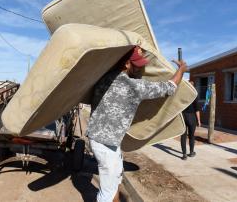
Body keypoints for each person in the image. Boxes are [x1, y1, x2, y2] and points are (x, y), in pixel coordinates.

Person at [86, 46, 187, 202]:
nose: (141, 68)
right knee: (106, 192)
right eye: (138, 65)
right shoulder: (133, 86)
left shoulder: (106, 77)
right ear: (127, 64)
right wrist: (181, 69)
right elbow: (169, 87)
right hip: (106, 144)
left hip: (103, 140)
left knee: (116, 179)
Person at [180, 81, 201, 160]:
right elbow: (197, 110)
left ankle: (184, 154)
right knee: (191, 136)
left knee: (183, 136)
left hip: (183, 116)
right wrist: (199, 120)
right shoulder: (194, 95)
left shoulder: (182, 95)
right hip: (192, 117)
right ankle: (191, 152)